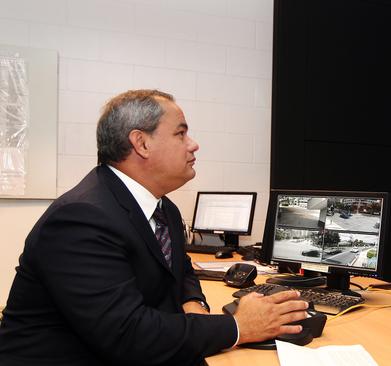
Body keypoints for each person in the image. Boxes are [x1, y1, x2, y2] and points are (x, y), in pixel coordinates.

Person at [0, 90, 308, 366]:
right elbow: (127, 335)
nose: (193, 144)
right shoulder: (81, 218)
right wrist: (239, 326)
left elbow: (181, 270)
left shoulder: (163, 208)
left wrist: (194, 303)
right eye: (181, 134)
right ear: (141, 143)